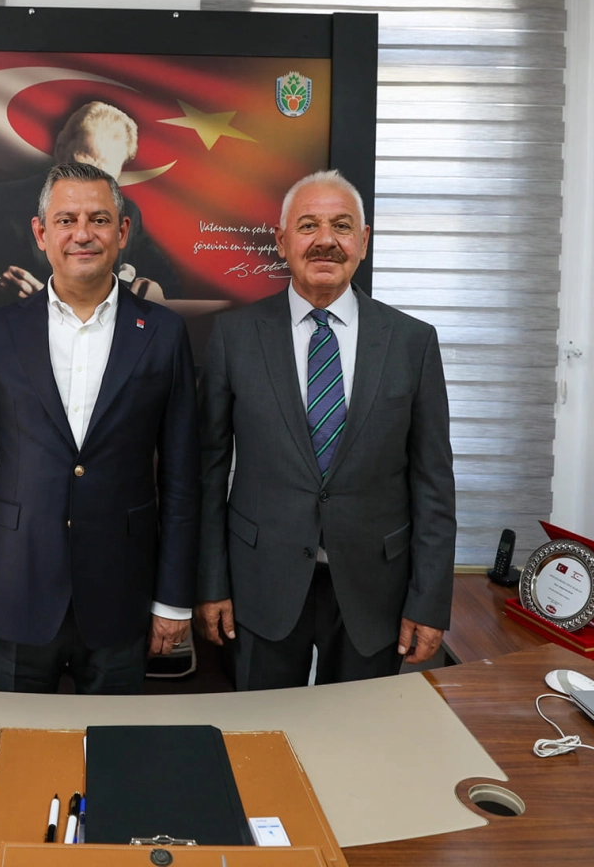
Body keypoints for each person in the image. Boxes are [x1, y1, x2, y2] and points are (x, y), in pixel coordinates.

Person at [0, 161, 200, 693]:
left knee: (113, 741)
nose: (82, 234)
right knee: (15, 741)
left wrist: (173, 601)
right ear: (41, 233)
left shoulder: (164, 333)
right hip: (15, 591)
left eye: (98, 219)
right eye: (66, 220)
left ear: (122, 231)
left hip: (123, 596)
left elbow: (182, 480)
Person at [194, 170, 456, 689]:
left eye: (341, 225)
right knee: (263, 730)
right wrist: (210, 583)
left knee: (359, 733)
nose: (325, 240)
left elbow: (433, 483)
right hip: (259, 585)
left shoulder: (412, 342)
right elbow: (208, 472)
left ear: (364, 240)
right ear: (281, 240)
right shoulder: (234, 337)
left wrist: (428, 601)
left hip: (375, 589)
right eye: (308, 225)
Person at [0, 101, 181, 306]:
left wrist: (152, 291)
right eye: (79, 167)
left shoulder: (126, 213)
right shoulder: (0, 203)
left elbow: (168, 285)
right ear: (59, 149)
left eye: (103, 178)